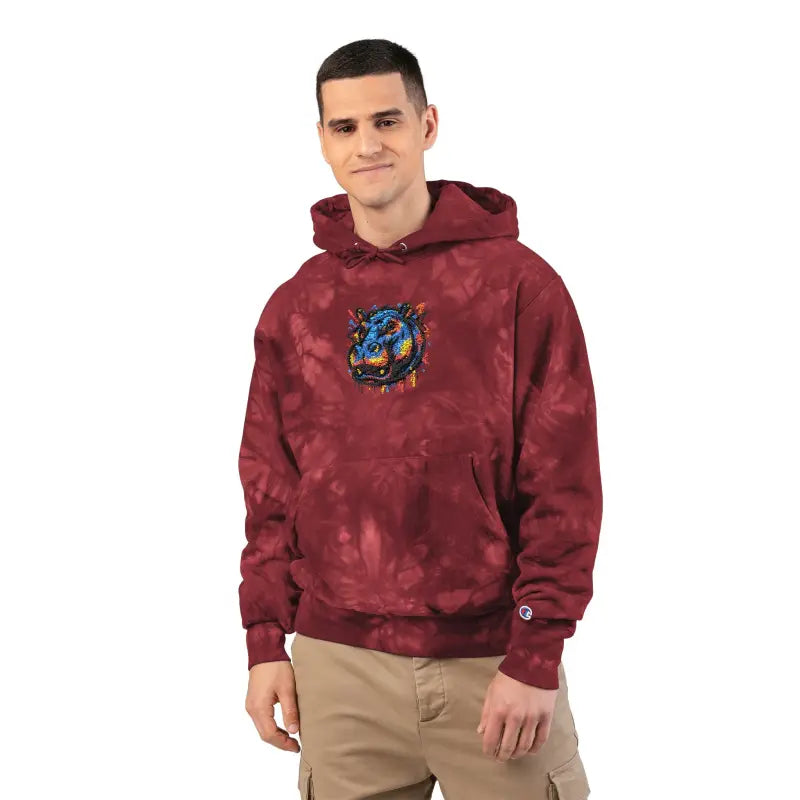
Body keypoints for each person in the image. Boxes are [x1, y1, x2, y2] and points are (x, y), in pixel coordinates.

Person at [237, 38, 602, 800]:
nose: (367, 145)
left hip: (492, 663)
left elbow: (564, 485)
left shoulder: (518, 286)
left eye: (387, 121)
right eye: (345, 127)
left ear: (427, 125)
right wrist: (265, 640)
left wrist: (535, 653)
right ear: (322, 140)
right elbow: (271, 489)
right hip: (340, 671)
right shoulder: (296, 308)